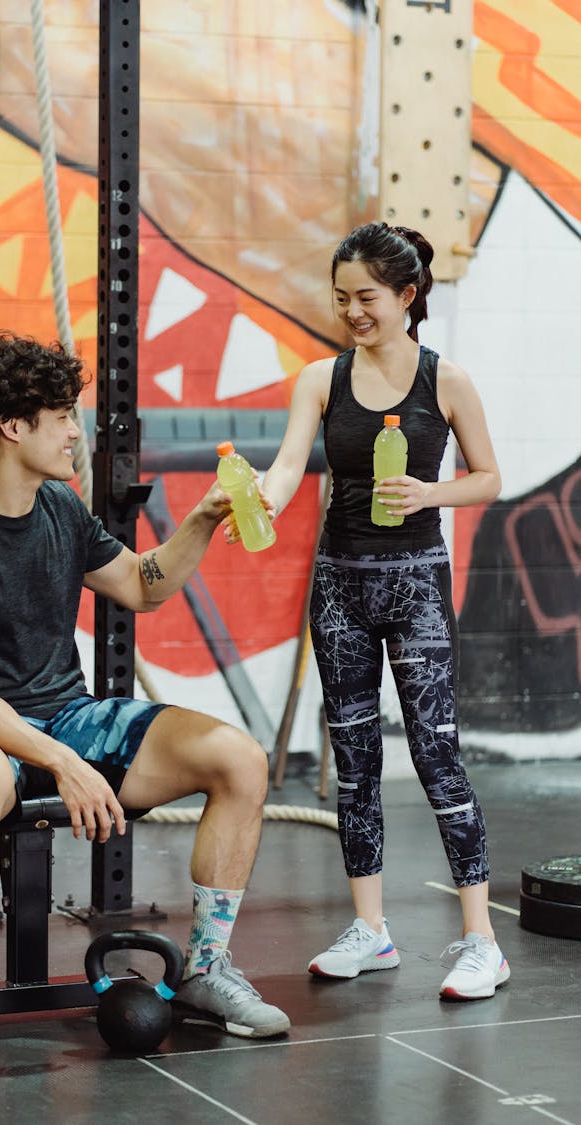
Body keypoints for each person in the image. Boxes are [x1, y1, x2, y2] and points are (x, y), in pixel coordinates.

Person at [0, 332, 290, 1074]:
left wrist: (200, 519)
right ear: (14, 425)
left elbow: (142, 583)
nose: (78, 431)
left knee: (238, 758)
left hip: (64, 714)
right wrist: (59, 759)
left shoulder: (61, 511)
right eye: (64, 416)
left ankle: (205, 968)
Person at [257, 221, 510, 1002]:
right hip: (340, 588)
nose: (352, 311)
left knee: (437, 757)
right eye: (341, 298)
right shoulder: (319, 379)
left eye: (365, 296)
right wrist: (250, 500)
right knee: (354, 765)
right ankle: (371, 930)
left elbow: (489, 477)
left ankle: (482, 940)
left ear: (406, 295)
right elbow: (288, 466)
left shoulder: (447, 380)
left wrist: (433, 492)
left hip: (416, 584)